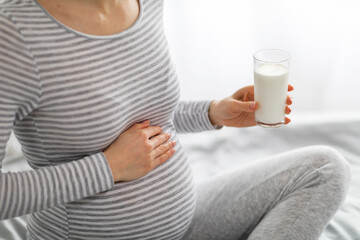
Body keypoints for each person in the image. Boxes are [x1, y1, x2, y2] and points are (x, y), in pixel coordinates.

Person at [0, 0, 351, 239]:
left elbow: (143, 117)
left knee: (325, 168)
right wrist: (109, 167)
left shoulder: (147, 4)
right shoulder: (13, 34)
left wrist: (214, 112)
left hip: (185, 221)